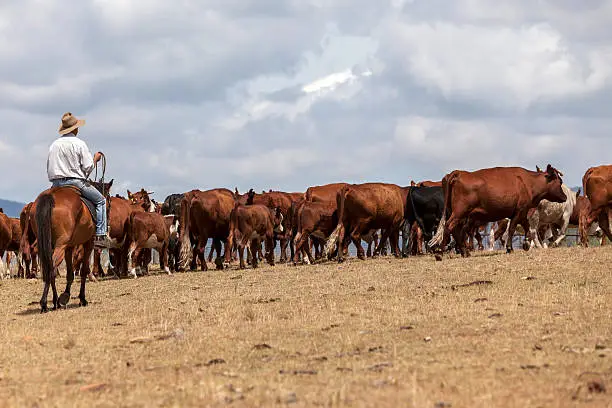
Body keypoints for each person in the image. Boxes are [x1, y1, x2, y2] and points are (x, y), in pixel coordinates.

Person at [47, 112, 113, 248]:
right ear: (75, 129)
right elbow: (88, 167)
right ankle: (100, 236)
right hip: (75, 182)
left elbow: (49, 166)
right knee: (101, 201)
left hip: (55, 184)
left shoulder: (54, 145)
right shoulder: (79, 144)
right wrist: (95, 159)